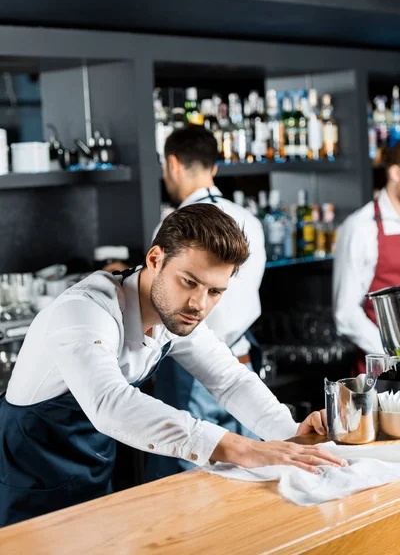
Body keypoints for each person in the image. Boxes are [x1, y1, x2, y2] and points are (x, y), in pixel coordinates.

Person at [0, 205, 345, 528]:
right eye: (189, 282)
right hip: (30, 474)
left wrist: (291, 434)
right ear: (155, 259)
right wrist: (241, 448)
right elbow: (109, 403)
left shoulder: (175, 314)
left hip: (92, 466)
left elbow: (230, 381)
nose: (199, 304)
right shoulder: (84, 311)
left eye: (215, 291)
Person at [147, 125, 266, 481]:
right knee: (247, 476)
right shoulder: (250, 221)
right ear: (214, 167)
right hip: (242, 360)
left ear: (172, 164)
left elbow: (159, 302)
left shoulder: (172, 225)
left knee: (190, 480)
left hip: (190, 370)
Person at [333, 143, 400, 373]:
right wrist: (395, 352)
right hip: (382, 374)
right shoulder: (360, 227)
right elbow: (346, 313)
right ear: (395, 172)